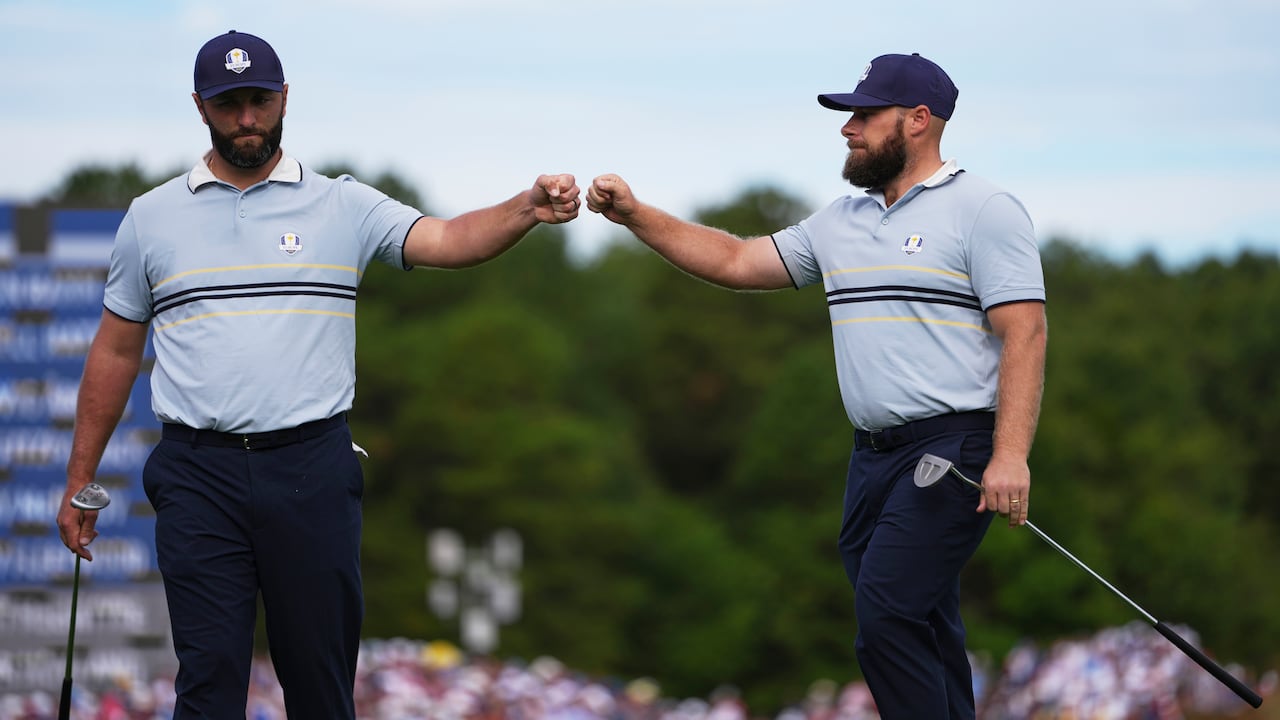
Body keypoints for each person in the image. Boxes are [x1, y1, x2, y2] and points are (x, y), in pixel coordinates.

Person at [55, 29, 580, 719]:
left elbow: (448, 239)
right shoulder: (151, 218)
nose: (247, 118)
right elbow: (116, 352)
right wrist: (80, 478)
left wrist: (526, 209)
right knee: (208, 683)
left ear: (284, 98)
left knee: (320, 685)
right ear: (201, 107)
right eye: (229, 103)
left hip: (311, 467)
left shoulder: (343, 204)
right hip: (197, 472)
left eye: (260, 100)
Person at [587, 53, 1047, 720]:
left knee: (887, 614)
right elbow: (735, 260)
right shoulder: (839, 221)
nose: (847, 128)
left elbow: (1025, 330)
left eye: (865, 115)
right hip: (873, 457)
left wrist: (1010, 455)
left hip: (952, 448)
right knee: (923, 620)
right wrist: (636, 215)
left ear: (918, 121)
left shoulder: (985, 210)